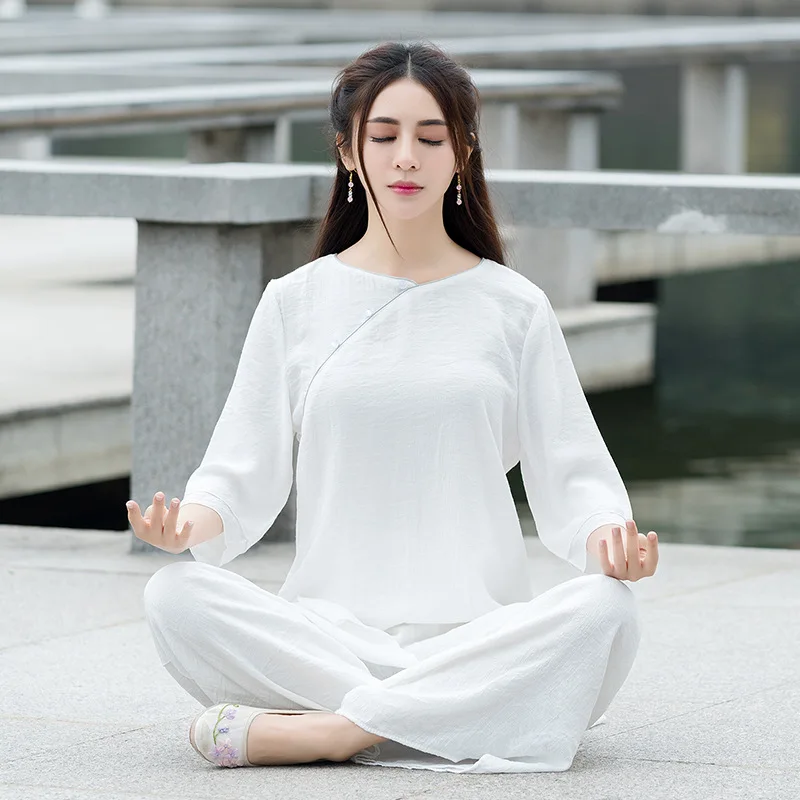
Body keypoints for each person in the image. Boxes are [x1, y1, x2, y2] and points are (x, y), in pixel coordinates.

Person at [129, 40, 659, 775]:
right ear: (350, 152)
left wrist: (608, 536)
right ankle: (458, 713)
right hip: (329, 637)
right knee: (174, 596)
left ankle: (338, 732)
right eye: (384, 137)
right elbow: (238, 472)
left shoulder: (514, 307)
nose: (406, 156)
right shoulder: (295, 302)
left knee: (607, 611)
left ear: (462, 152)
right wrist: (190, 523)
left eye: (430, 137)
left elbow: (574, 474)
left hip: (479, 637)